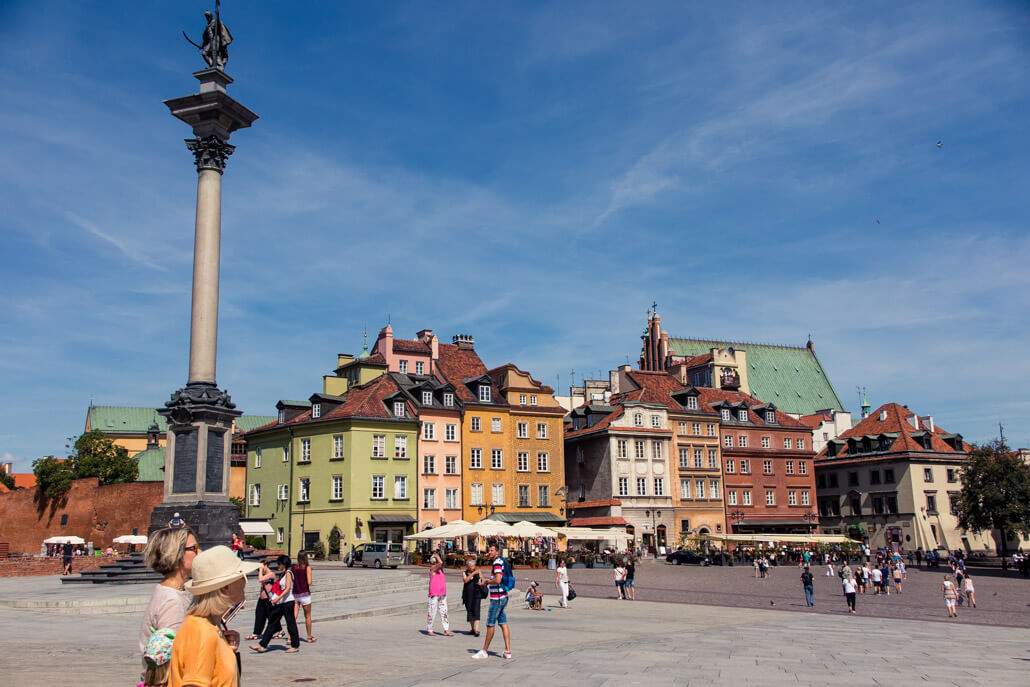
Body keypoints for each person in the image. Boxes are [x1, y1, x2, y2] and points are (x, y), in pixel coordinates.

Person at [169, 545, 257, 687]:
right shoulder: (201, 631)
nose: (245, 580)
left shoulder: (209, 626)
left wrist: (225, 651)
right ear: (225, 587)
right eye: (240, 575)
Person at [140, 528, 198, 660]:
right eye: (194, 548)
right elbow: (171, 657)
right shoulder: (172, 601)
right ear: (177, 555)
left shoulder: (172, 592)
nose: (199, 552)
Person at [251, 555, 300, 653]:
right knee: (273, 622)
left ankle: (295, 645)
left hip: (288, 602)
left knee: (290, 623)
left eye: (279, 564)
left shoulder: (288, 573)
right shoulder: (283, 574)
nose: (278, 566)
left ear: (283, 564)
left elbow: (287, 588)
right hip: (281, 602)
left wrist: (278, 598)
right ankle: (262, 645)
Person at [472, 542, 511, 660]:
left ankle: (484, 650)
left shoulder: (497, 563)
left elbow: (498, 580)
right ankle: (507, 651)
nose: (490, 552)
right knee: (503, 623)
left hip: (497, 598)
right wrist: (485, 580)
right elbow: (496, 578)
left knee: (490, 624)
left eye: (492, 550)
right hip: (503, 596)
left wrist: (487, 582)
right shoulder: (501, 561)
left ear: (497, 552)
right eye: (489, 550)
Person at [245, 559, 276, 641]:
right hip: (262, 598)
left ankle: (279, 630)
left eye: (262, 567)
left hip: (268, 599)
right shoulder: (265, 574)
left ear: (266, 566)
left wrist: (261, 569)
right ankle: (256, 633)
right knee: (259, 615)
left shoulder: (271, 574)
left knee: (271, 616)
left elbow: (260, 579)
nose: (260, 570)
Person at [426, 552, 453, 636]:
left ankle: (446, 629)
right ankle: (430, 629)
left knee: (444, 611)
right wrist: (437, 556)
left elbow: (441, 564)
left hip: (442, 593)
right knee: (432, 611)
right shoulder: (432, 569)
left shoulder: (441, 570)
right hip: (434, 594)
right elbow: (441, 563)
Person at [291, 551, 315, 643]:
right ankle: (309, 637)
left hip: (295, 593)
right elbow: (309, 582)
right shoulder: (306, 567)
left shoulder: (294, 567)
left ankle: (290, 637)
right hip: (305, 594)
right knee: (307, 616)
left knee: (293, 617)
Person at [461, 557, 483, 636]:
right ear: (467, 566)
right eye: (471, 566)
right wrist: (473, 574)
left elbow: (482, 580)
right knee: (469, 610)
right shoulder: (464, 572)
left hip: (476, 593)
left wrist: (482, 580)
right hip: (468, 594)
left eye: (474, 565)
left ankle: (476, 629)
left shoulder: (478, 572)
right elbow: (465, 580)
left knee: (476, 610)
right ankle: (473, 629)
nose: (473, 567)